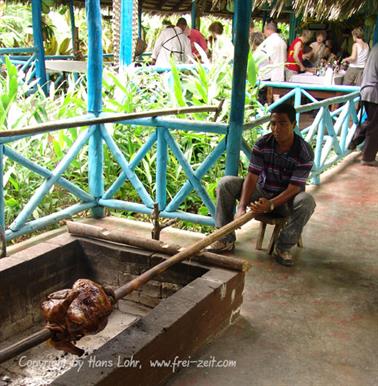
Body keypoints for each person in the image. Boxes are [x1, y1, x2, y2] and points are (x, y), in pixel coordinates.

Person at [206, 103, 316, 267]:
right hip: (262, 192)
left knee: (307, 201)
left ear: (293, 124)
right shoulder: (263, 143)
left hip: (286, 201)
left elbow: (294, 188)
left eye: (283, 123)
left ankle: (283, 247)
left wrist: (271, 204)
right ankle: (225, 239)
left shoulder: (304, 151)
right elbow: (252, 175)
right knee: (226, 183)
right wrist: (242, 207)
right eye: (273, 123)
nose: (276, 128)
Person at [348, 44, 378, 166]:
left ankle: (355, 140)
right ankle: (368, 157)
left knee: (371, 120)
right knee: (375, 126)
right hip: (374, 91)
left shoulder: (375, 47)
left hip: (367, 89)